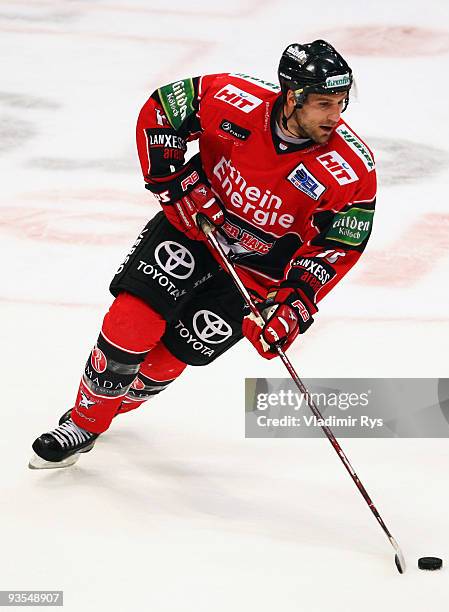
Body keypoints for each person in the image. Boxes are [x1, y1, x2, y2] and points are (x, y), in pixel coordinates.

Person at [30, 39, 376, 469]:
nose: (335, 117)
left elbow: (339, 244)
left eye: (341, 103)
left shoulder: (352, 168)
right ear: (292, 96)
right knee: (132, 318)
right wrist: (173, 180)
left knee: (176, 353)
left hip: (258, 268)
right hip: (195, 227)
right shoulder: (231, 97)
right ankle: (83, 424)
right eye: (324, 104)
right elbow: (162, 110)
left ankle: (111, 406)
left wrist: (297, 300)